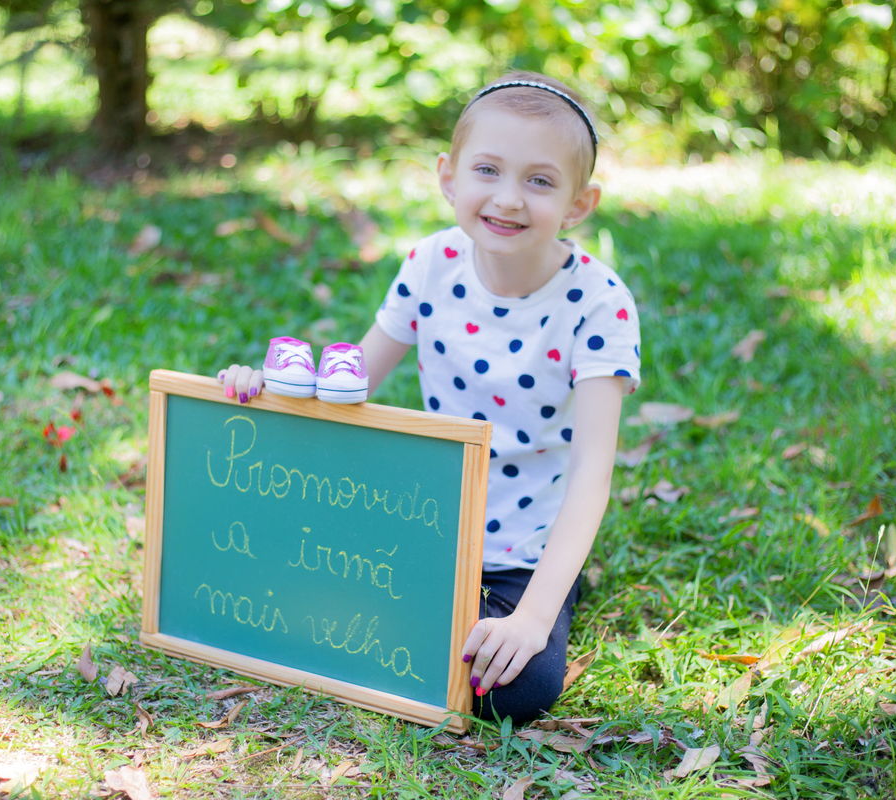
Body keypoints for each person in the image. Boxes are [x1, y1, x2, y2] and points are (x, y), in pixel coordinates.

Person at [218, 71, 641, 723]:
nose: (508, 199)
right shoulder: (431, 263)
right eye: (488, 170)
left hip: (522, 554)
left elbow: (592, 472)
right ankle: (427, 612)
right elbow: (350, 381)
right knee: (288, 604)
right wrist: (267, 390)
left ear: (579, 204)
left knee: (515, 690)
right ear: (449, 176)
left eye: (539, 180)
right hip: (421, 525)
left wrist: (530, 619)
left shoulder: (598, 302)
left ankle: (530, 607)